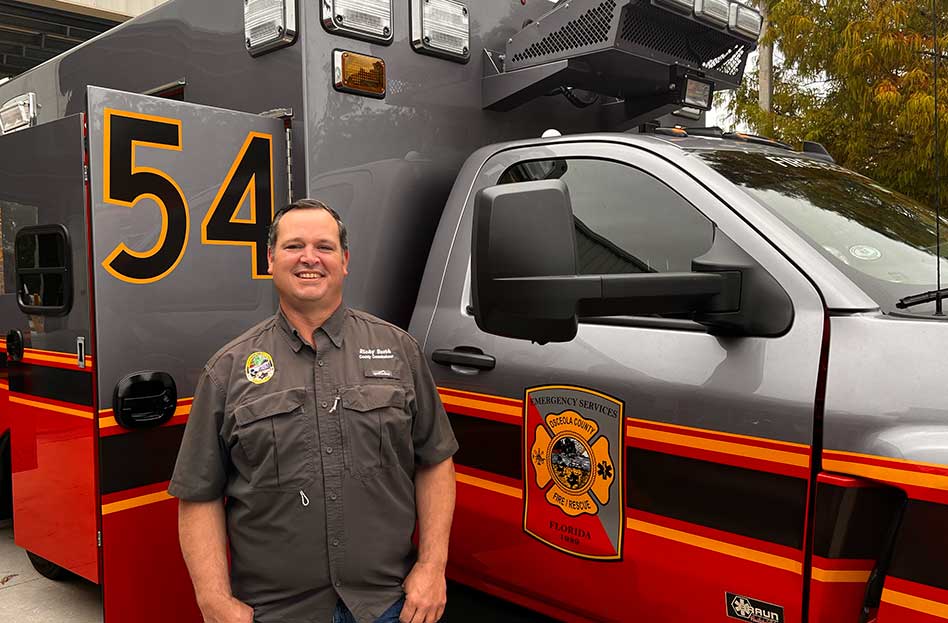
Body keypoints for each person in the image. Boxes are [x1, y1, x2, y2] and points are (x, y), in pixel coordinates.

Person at [169, 199, 458, 623]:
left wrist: (433, 567)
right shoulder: (227, 371)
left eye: (324, 246)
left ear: (345, 260)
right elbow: (199, 495)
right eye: (293, 246)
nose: (309, 258)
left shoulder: (400, 353)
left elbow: (435, 462)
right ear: (270, 260)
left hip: (389, 605)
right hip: (277, 613)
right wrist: (213, 600)